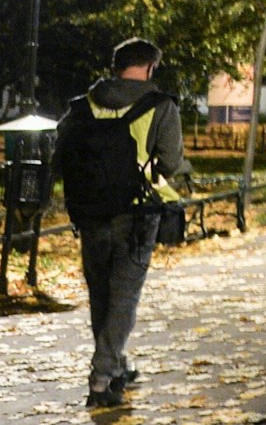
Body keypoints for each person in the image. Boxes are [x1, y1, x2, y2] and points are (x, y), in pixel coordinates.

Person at [50, 38, 189, 408]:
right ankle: (101, 377)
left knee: (102, 295)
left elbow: (59, 154)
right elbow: (171, 163)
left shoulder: (83, 105)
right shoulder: (160, 106)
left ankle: (118, 364)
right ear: (149, 68)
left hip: (90, 213)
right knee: (124, 298)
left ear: (116, 66)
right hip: (137, 215)